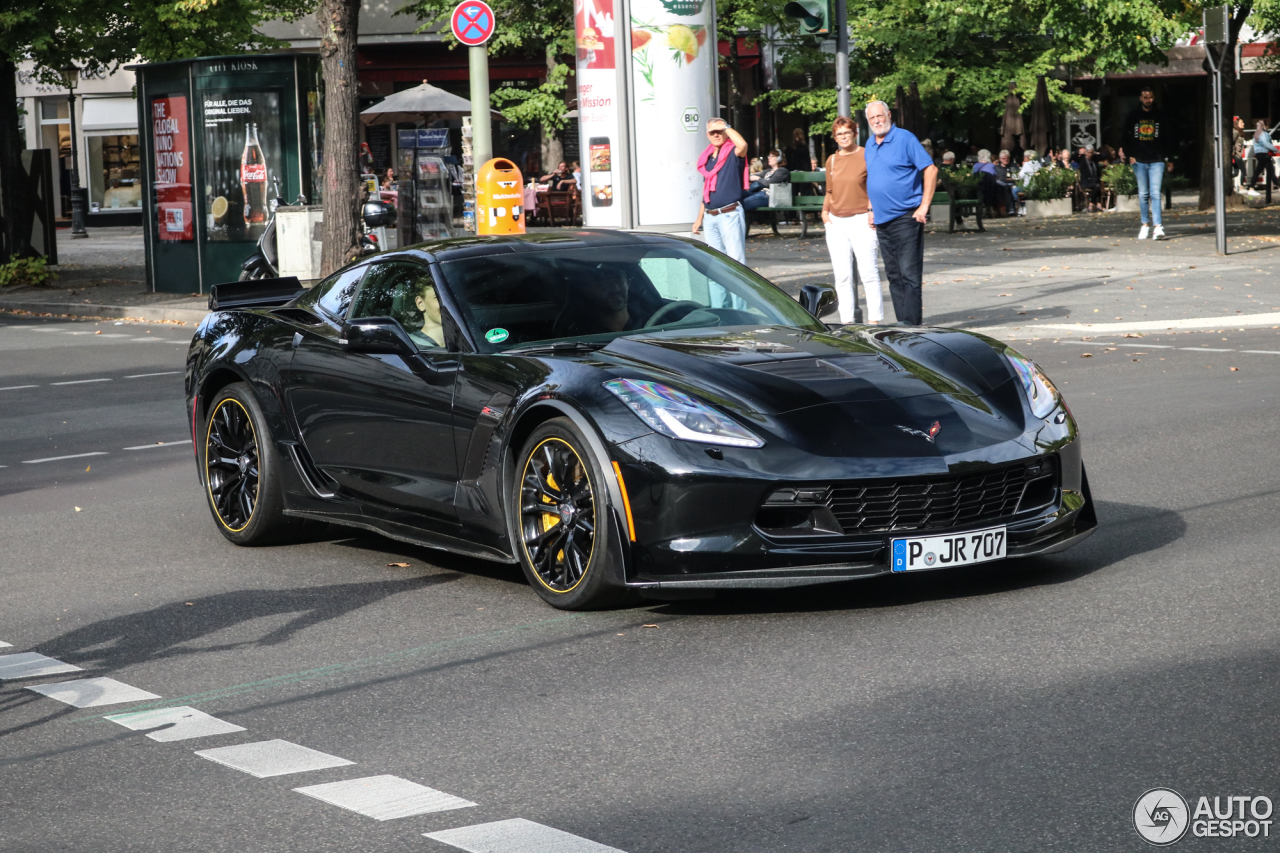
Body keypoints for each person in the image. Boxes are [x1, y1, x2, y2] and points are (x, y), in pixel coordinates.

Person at [863, 99, 937, 327]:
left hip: (906, 216)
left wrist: (924, 206)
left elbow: (931, 169)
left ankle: (912, 326)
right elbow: (873, 179)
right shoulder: (869, 144)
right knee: (893, 276)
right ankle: (903, 323)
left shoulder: (905, 138)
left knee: (909, 274)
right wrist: (870, 208)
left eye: (880, 116)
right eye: (872, 118)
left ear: (889, 116)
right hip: (882, 220)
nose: (876, 121)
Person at [821, 116, 883, 325]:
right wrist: (825, 214)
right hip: (836, 222)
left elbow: (875, 185)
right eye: (839, 134)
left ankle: (875, 320)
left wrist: (871, 209)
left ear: (855, 133)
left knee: (868, 273)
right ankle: (847, 322)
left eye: (847, 132)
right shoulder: (832, 160)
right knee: (843, 276)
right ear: (835, 137)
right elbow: (830, 190)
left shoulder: (867, 155)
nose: (843, 137)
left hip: (861, 219)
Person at [1119, 85, 1173, 240]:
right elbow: (1124, 136)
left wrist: (1169, 158)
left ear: (1153, 98)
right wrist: (1130, 155)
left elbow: (1168, 137)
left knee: (1155, 193)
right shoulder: (1133, 115)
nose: (1148, 100)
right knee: (1143, 194)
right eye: (1145, 97)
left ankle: (1158, 227)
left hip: (1157, 159)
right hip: (1139, 160)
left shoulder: (1160, 116)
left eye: (1150, 97)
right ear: (1140, 98)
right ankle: (1144, 225)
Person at [691, 117, 749, 263]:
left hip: (729, 214)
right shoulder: (707, 158)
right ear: (707, 135)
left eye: (720, 131)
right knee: (715, 263)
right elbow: (707, 191)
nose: (716, 135)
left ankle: (737, 287)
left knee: (735, 261)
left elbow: (743, 145)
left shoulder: (732, 152)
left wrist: (726, 126)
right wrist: (699, 218)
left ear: (726, 133)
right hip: (710, 216)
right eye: (712, 132)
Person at [1251, 119, 1278, 191]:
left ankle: (1251, 187)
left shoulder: (1255, 135)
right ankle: (1278, 185)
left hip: (1259, 155)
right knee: (1271, 172)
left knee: (1258, 171)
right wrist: (1276, 149)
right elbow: (1267, 144)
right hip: (1265, 154)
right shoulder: (1264, 134)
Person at [994, 150, 1021, 214]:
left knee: (1009, 188)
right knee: (1005, 188)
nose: (1006, 160)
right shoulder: (996, 168)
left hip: (1013, 184)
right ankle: (1010, 208)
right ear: (1000, 159)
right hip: (1001, 186)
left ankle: (1011, 208)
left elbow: (1019, 175)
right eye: (1004, 158)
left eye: (1007, 158)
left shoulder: (1014, 166)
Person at [1076, 145, 1102, 212]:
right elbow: (1073, 156)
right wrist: (1080, 153)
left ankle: (1097, 204)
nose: (1090, 154)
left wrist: (1097, 153)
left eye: (1091, 153)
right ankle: (1093, 203)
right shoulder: (1082, 160)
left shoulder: (1094, 159)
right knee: (1097, 186)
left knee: (1098, 184)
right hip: (1085, 182)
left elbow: (1105, 155)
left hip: (1093, 181)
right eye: (1089, 152)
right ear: (1086, 152)